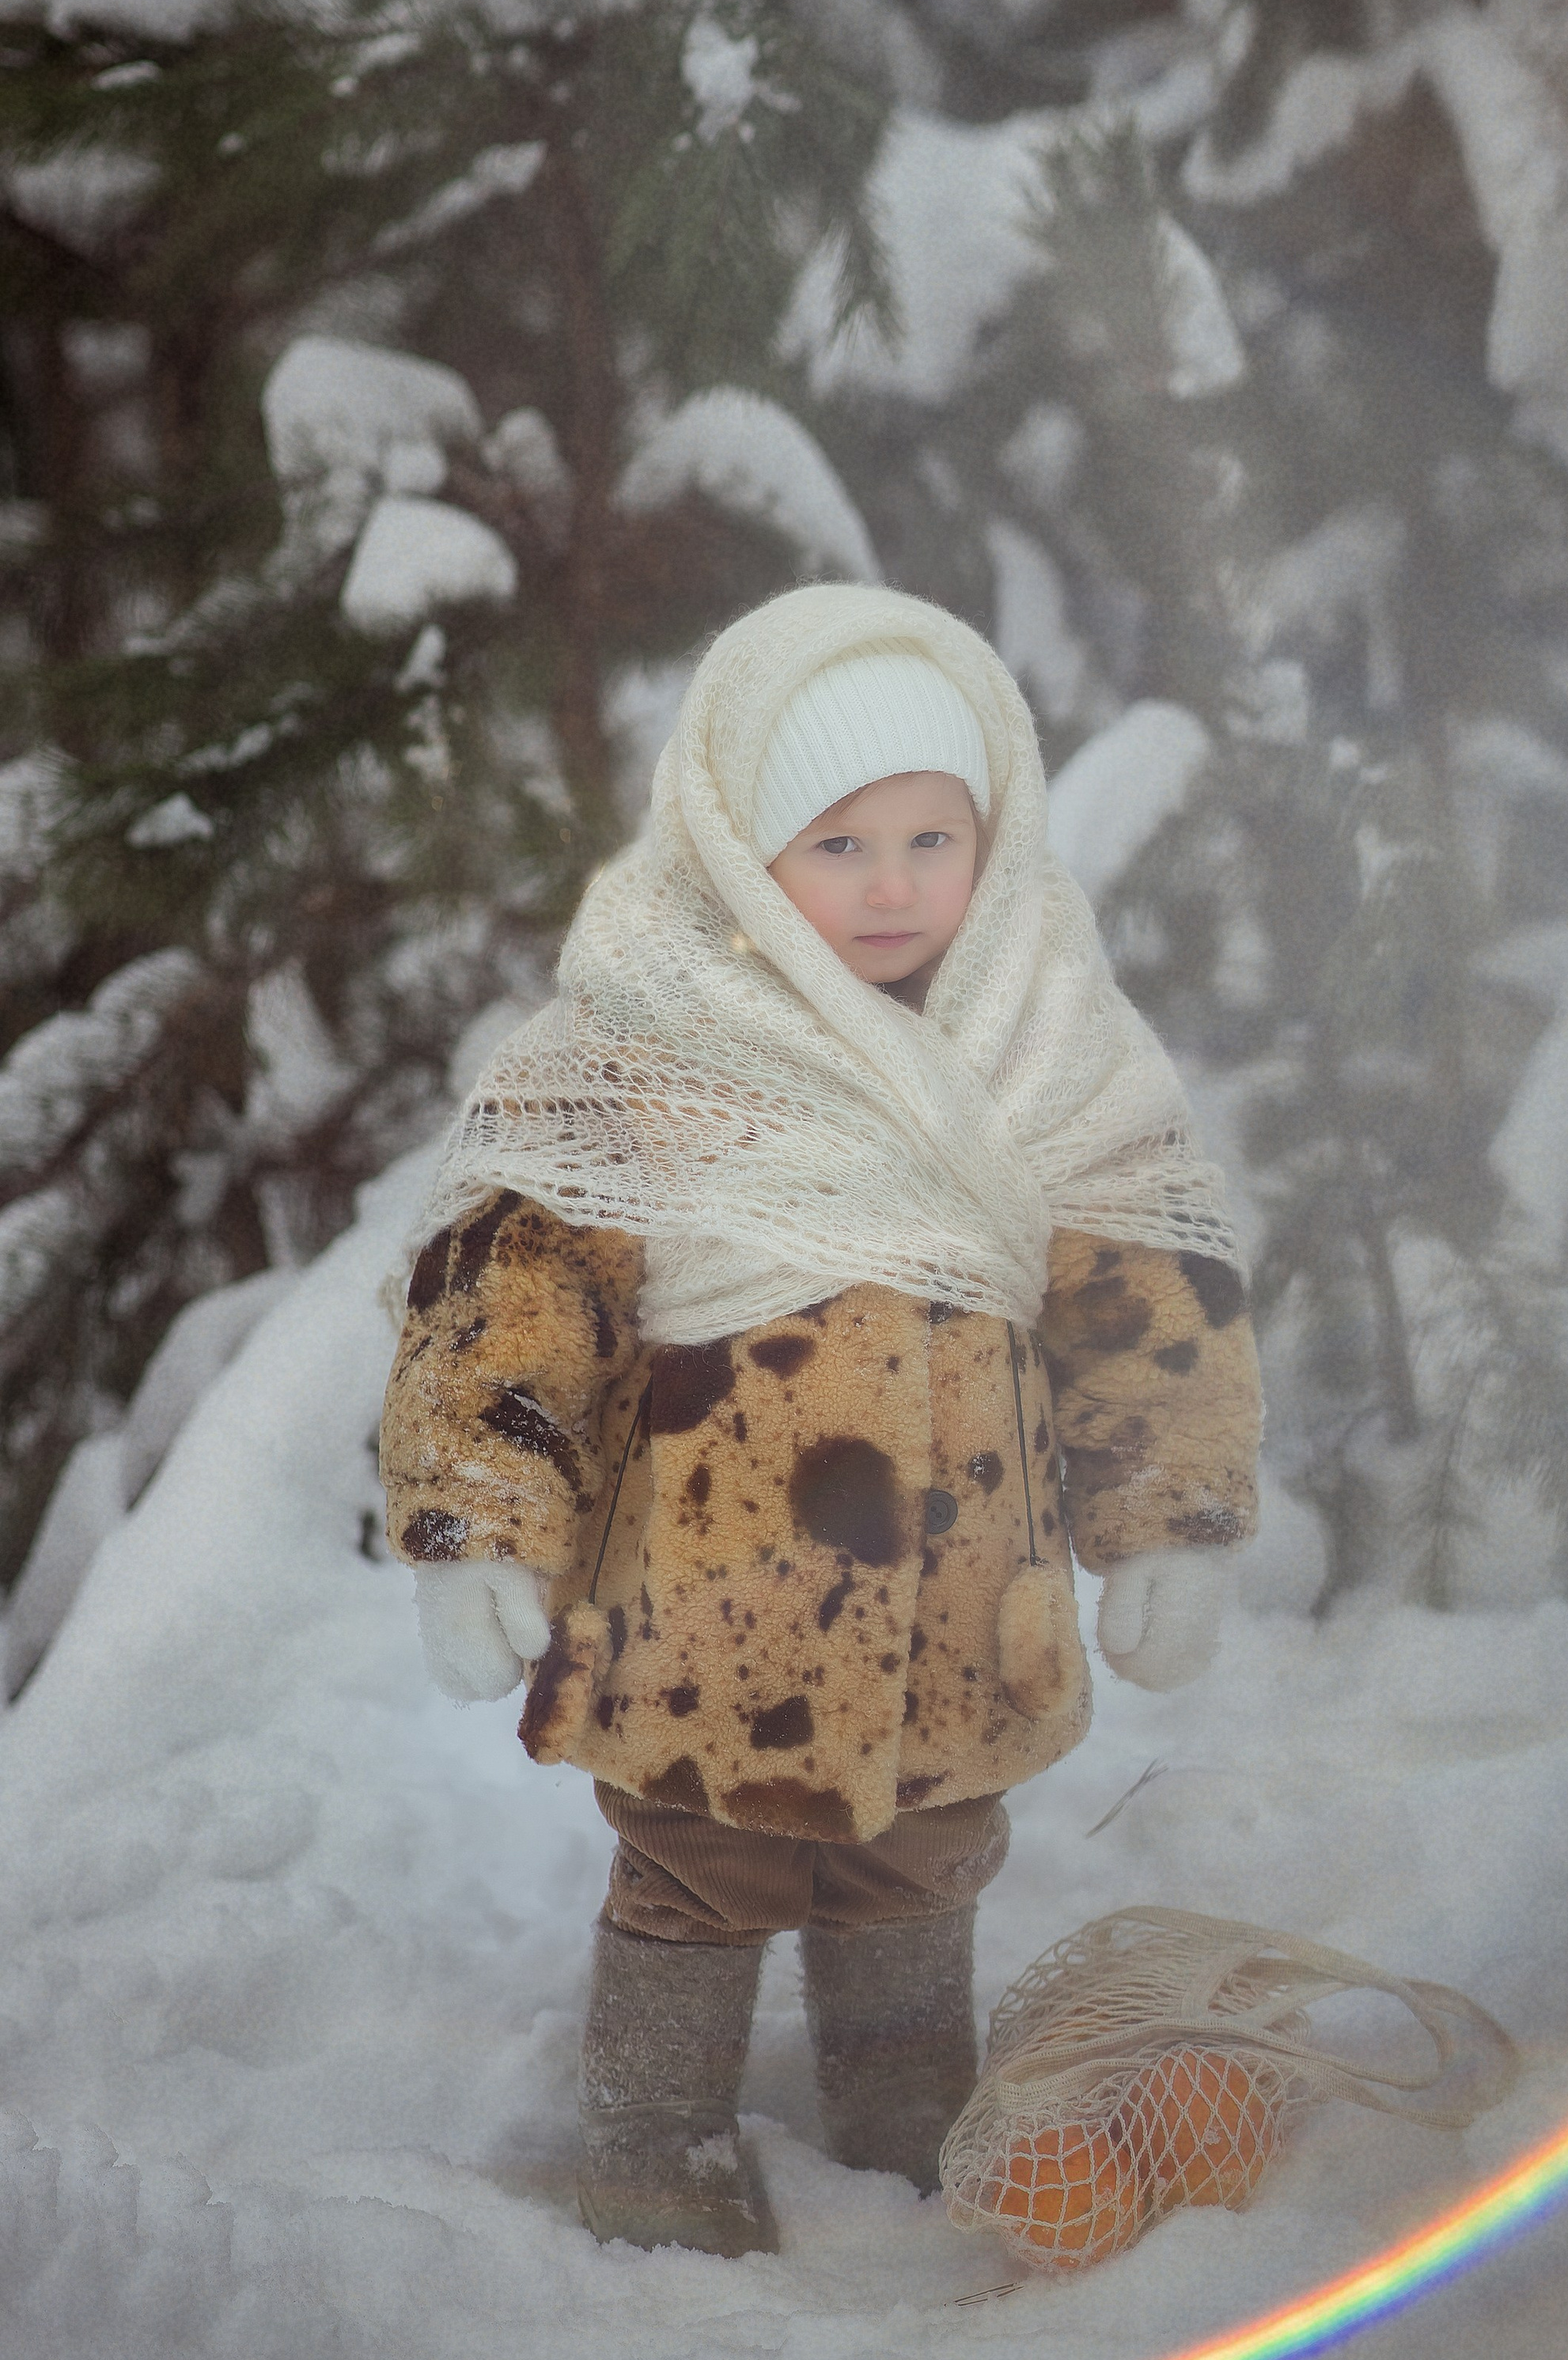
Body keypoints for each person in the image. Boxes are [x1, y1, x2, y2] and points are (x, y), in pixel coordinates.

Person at [380, 583, 1262, 2256]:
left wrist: (1166, 1517)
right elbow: (513, 1296)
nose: (892, 884)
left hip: (959, 1603)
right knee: (691, 1875)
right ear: (733, 841)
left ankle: (907, 2109)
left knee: (924, 1863)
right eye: (836, 842)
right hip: (707, 1609)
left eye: (934, 837)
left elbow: (1140, 1303)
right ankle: (654, 2133)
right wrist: (477, 1526)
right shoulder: (638, 1050)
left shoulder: (1048, 1044)